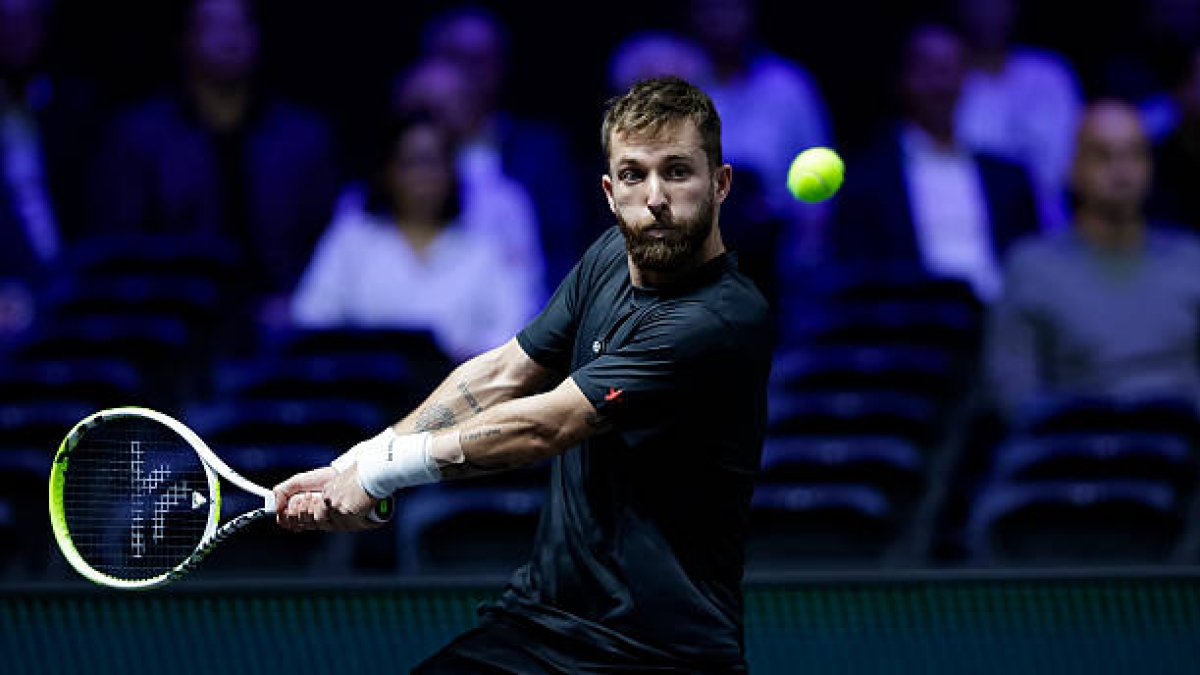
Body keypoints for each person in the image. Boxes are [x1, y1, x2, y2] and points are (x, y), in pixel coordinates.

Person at [275, 76, 772, 672]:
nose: (656, 197)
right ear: (611, 192)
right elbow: (505, 371)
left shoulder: (720, 318)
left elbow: (548, 426)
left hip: (664, 653)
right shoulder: (611, 256)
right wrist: (358, 459)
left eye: (678, 171)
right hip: (543, 626)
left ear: (720, 184)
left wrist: (384, 474)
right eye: (636, 175)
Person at [88, 0, 339, 310]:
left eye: (240, 25)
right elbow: (120, 247)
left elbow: (332, 239)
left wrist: (304, 301)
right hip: (169, 320)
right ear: (185, 40)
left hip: (284, 316)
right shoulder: (140, 136)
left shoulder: (303, 136)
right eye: (214, 25)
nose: (229, 38)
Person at [984, 101, 1200, 420]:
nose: (1122, 171)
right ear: (1071, 168)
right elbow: (1013, 391)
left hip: (1185, 451)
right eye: (1103, 155)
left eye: (1135, 154)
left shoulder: (1192, 258)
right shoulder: (1032, 267)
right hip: (1075, 451)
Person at [290, 112, 537, 363]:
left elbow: (515, 333)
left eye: (433, 162)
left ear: (452, 171)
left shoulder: (485, 250)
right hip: (364, 392)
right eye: (411, 162)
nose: (423, 177)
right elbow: (312, 318)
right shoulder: (351, 242)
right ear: (388, 171)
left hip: (462, 392)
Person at [831, 22, 1038, 303]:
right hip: (914, 329)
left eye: (950, 69)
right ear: (903, 80)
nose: (940, 84)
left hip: (1002, 323)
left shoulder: (1009, 179)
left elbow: (1031, 268)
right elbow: (860, 280)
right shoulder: (866, 180)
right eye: (927, 70)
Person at [421, 5, 586, 291]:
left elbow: (562, 248)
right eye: (454, 58)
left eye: (479, 60)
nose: (467, 74)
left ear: (500, 68)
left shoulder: (541, 150)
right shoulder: (403, 148)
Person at [682, 0, 833, 264]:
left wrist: (806, 253)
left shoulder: (788, 85)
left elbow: (820, 178)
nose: (721, 16)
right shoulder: (672, 81)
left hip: (776, 256)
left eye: (732, 6)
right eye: (711, 6)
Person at [391, 56, 546, 306]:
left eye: (442, 110)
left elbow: (523, 303)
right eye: (420, 110)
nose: (432, 126)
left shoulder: (506, 202)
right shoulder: (357, 205)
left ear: (471, 113)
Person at [0, 0, 103, 332]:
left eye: (25, 20)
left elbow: (104, 214)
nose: (15, 32)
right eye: (5, 20)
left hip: (79, 284)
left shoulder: (77, 106)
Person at [953, 0, 1083, 231]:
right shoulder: (950, 83)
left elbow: (1070, 161)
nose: (989, 10)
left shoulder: (1051, 74)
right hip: (977, 224)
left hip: (1053, 226)